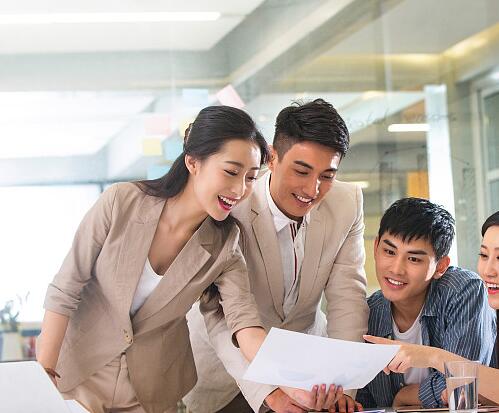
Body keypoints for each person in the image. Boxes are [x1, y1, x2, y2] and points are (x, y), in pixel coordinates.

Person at [37, 105, 277, 413]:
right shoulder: (121, 202)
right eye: (231, 172)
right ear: (193, 162)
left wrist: (287, 381)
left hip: (150, 392)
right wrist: (44, 371)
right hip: (78, 377)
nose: (240, 189)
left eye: (251, 177)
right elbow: (66, 288)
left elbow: (244, 323)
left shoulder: (225, 243)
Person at [184, 98, 369, 413]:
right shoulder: (231, 207)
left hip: (307, 376)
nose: (312, 189)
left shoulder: (347, 202)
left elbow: (347, 299)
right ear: (272, 157)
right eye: (302, 171)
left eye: (327, 175)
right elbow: (220, 316)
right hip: (228, 377)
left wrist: (342, 384)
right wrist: (269, 392)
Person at [355, 199, 496, 409]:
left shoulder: (461, 290)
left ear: (441, 266)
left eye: (414, 259)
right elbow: (364, 401)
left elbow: (465, 381)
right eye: (390, 252)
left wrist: (404, 396)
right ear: (376, 247)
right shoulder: (368, 313)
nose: (396, 269)